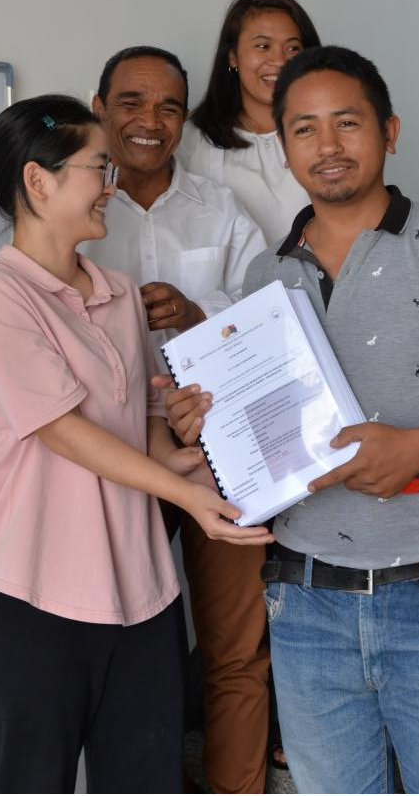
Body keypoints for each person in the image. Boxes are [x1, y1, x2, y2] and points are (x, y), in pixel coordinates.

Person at [162, 46, 419, 795]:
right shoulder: (266, 277)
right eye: (304, 129)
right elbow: (263, 440)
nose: (328, 145)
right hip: (305, 603)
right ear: (284, 149)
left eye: (347, 122)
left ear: (389, 131)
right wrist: (205, 422)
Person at [0, 96, 267, 796]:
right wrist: (185, 495)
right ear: (38, 181)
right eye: (100, 168)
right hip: (37, 595)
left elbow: (142, 431)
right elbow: (65, 431)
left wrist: (193, 450)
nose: (112, 187)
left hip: (143, 593)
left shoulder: (119, 293)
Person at [85, 46, 269, 796]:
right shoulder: (76, 205)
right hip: (111, 452)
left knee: (235, 647)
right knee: (116, 643)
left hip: (219, 446)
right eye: (131, 102)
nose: (150, 121)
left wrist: (199, 314)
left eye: (168, 106)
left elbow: (269, 312)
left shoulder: (218, 207)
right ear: (99, 107)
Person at [179, 0, 321, 245]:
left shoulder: (327, 135)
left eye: (293, 48)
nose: (279, 60)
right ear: (232, 56)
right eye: (263, 46)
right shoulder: (191, 142)